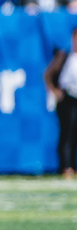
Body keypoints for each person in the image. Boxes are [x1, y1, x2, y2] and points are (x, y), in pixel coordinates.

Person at [44, 27, 77, 178]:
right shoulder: (65, 56)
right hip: (68, 99)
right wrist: (54, 91)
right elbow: (48, 74)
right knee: (67, 133)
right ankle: (66, 166)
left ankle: (74, 166)